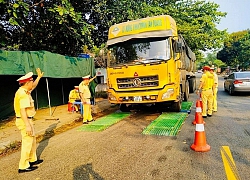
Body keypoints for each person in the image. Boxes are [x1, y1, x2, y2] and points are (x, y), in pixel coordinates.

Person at [14, 68, 44, 173]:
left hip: (27, 120)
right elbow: (22, 110)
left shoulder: (24, 90)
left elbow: (33, 86)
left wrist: (39, 77)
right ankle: (23, 166)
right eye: (31, 81)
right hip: (24, 120)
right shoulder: (23, 94)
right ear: (27, 82)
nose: (32, 82)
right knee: (27, 142)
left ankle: (32, 160)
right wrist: (27, 125)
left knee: (32, 140)